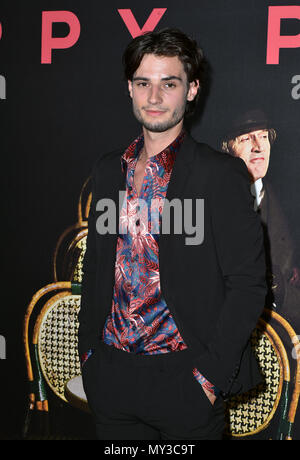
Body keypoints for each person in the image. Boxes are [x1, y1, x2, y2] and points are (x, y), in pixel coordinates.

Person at [78, 28, 266, 441]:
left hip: (185, 382)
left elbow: (249, 284)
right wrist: (88, 354)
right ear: (130, 88)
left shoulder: (219, 175)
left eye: (170, 83)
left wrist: (208, 377)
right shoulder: (109, 170)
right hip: (110, 377)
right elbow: (95, 270)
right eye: (144, 83)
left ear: (193, 90)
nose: (155, 97)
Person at [221, 109, 300, 323]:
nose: (258, 147)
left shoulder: (286, 200)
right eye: (246, 138)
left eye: (264, 136)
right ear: (228, 148)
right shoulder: (210, 202)